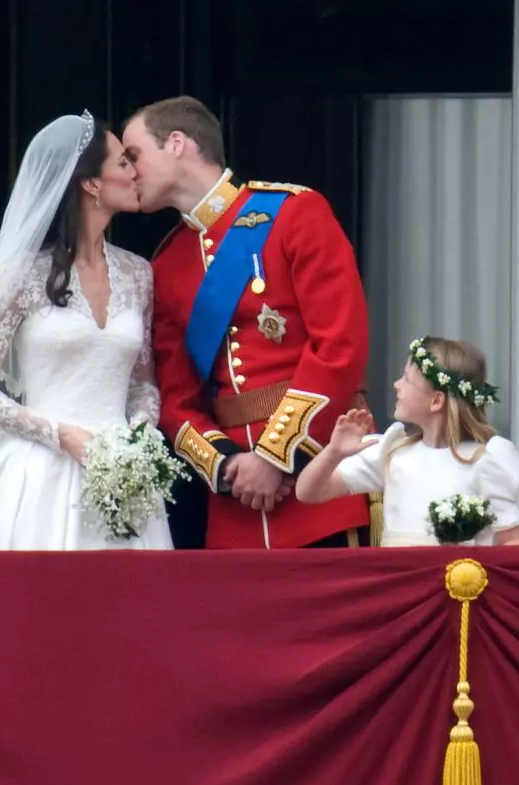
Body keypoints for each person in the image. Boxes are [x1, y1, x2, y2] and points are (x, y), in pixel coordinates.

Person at [122, 95, 371, 549]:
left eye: (134, 154)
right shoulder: (167, 262)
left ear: (177, 143)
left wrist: (276, 455)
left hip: (320, 480)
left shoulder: (295, 213)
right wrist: (226, 463)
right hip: (235, 505)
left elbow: (340, 346)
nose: (127, 170)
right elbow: (175, 396)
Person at [0, 111, 173, 551]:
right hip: (37, 474)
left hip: (124, 482)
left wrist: (136, 440)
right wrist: (59, 434)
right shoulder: (22, 274)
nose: (135, 172)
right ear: (91, 183)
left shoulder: (139, 274)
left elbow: (143, 384)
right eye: (123, 163)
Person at [296, 337, 519, 546]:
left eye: (406, 378)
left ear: (436, 401)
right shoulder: (392, 451)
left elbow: (510, 542)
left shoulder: (486, 458)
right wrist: (334, 452)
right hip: (398, 583)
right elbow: (309, 492)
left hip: (456, 585)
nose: (396, 384)